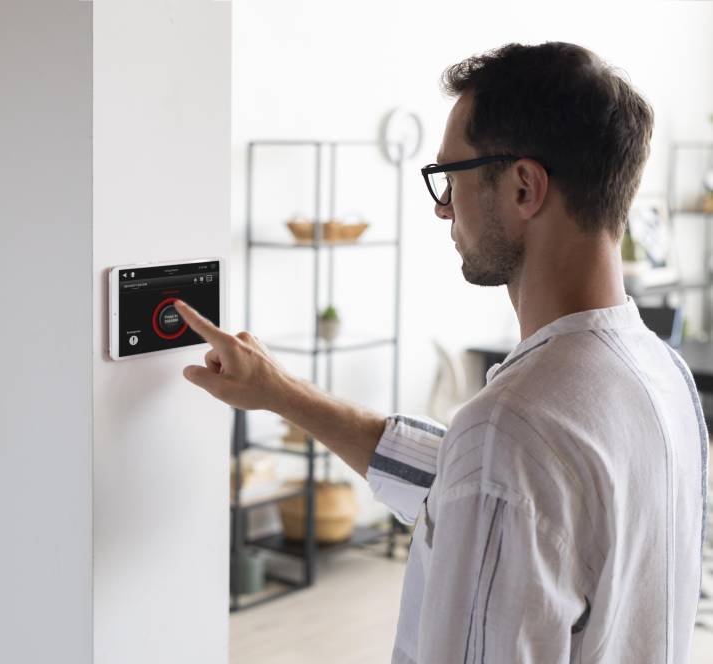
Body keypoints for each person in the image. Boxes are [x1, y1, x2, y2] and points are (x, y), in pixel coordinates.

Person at [175, 41, 708, 664]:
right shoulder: (662, 374)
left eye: (449, 178)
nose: (441, 207)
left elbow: (493, 475)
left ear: (524, 187)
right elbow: (464, 484)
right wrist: (280, 392)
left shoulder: (513, 430)